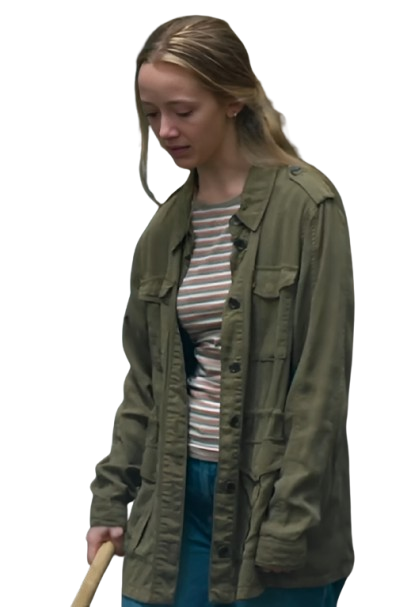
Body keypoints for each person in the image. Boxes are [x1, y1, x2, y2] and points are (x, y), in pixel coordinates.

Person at [86, 14, 354, 607]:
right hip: (174, 497)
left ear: (233, 100)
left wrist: (288, 521)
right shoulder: (163, 232)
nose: (165, 131)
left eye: (182, 111)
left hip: (271, 501)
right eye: (151, 114)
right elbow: (146, 384)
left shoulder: (307, 207)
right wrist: (111, 497)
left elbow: (321, 383)